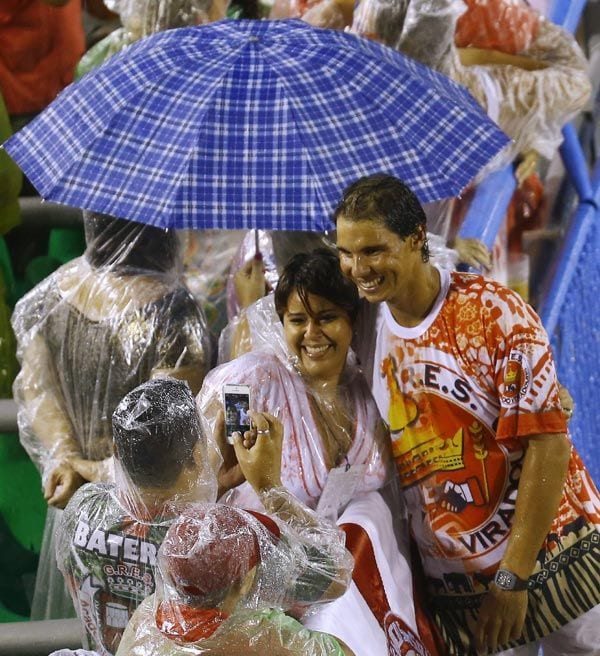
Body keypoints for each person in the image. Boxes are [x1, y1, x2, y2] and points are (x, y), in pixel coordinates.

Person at [334, 173, 600, 656]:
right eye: (346, 253)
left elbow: (549, 443)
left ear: (417, 239)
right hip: (459, 588)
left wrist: (512, 577)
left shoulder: (494, 313)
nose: (357, 268)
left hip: (555, 554)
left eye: (373, 250)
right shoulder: (363, 324)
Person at [199, 250, 436, 655]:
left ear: (351, 320)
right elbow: (198, 483)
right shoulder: (250, 382)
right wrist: (219, 484)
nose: (312, 333)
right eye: (297, 320)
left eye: (326, 317)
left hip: (341, 591)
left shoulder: (371, 393)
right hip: (260, 604)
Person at [11, 210, 212, 619]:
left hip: (71, 501)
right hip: (148, 516)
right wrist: (92, 471)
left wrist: (65, 462)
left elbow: (36, 391)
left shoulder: (47, 297)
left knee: (83, 623)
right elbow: (160, 433)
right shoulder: (177, 313)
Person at [116, 413, 355, 655]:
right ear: (245, 582)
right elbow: (337, 574)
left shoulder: (144, 620)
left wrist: (218, 476)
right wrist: (271, 489)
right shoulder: (272, 641)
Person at [57, 377, 217, 655]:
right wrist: (268, 487)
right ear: (198, 455)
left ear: (117, 453)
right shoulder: (205, 538)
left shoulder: (83, 508)